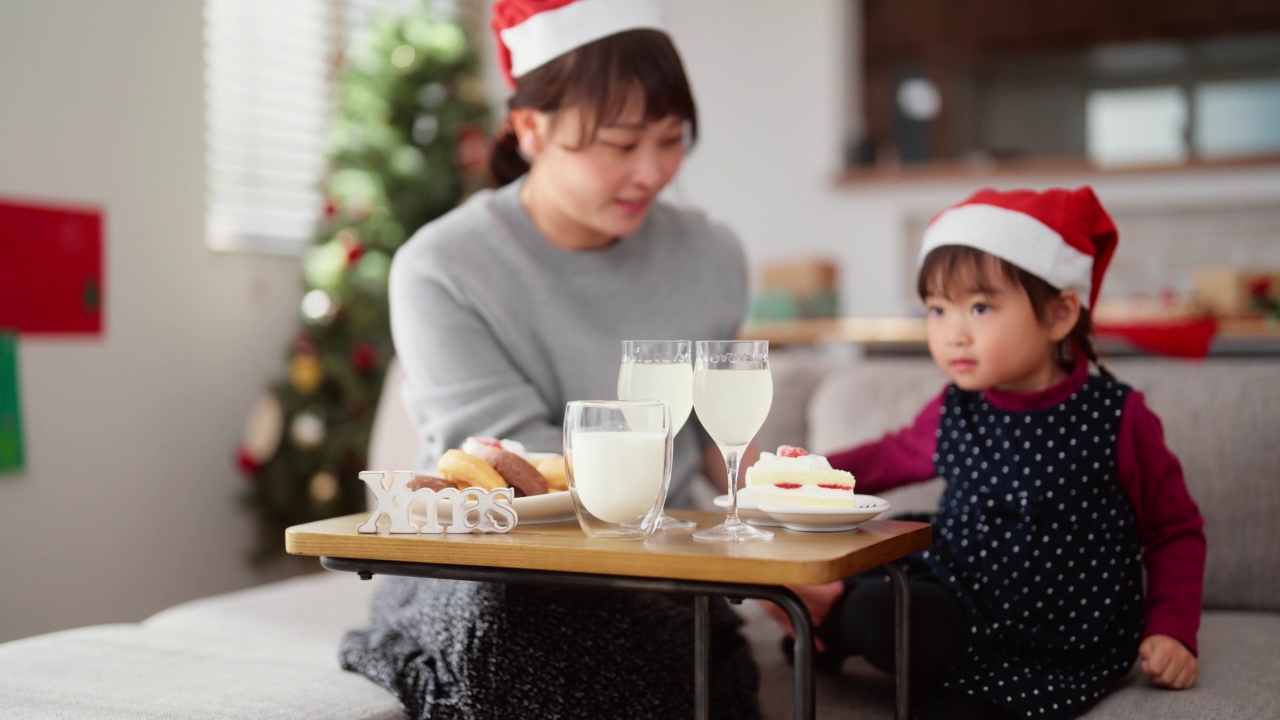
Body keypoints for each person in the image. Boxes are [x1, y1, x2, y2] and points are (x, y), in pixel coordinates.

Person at [339, 2, 760, 718]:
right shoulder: (442, 268)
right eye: (621, 144)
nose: (654, 172)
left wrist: (787, 516)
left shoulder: (712, 255)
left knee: (705, 663)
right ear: (530, 129)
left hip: (664, 569)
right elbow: (518, 468)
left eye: (670, 139)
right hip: (501, 561)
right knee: (525, 634)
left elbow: (718, 444)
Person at [767, 187, 1206, 720]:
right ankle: (831, 621)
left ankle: (829, 623)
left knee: (934, 678)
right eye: (936, 309)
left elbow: (1174, 530)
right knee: (905, 614)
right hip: (959, 601)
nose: (953, 333)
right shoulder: (957, 408)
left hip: (1065, 639)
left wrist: (1171, 630)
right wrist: (799, 477)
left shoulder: (1117, 417)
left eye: (979, 307)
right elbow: (883, 459)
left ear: (1060, 314)